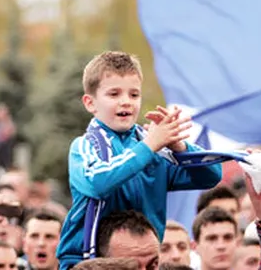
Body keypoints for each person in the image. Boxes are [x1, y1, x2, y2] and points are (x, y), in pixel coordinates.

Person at [56, 51, 223, 269]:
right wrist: (148, 146)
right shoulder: (85, 146)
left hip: (145, 261)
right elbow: (96, 183)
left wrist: (179, 147)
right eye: (114, 94)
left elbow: (211, 176)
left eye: (134, 95)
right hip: (88, 262)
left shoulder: (153, 147)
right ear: (90, 103)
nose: (126, 102)